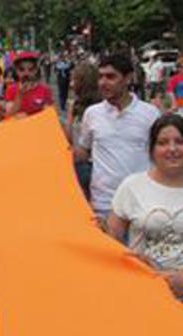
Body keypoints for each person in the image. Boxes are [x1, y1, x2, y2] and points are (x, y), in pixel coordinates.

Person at [75, 54, 161, 223]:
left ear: (128, 78)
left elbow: (159, 158)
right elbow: (83, 153)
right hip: (103, 205)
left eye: (110, 77)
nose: (103, 82)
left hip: (141, 205)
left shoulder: (150, 114)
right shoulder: (92, 114)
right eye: (100, 77)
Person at [107, 114, 183, 300]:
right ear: (151, 149)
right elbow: (111, 241)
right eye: (163, 142)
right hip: (143, 292)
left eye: (179, 142)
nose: (172, 149)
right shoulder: (132, 187)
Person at [65, 62, 101, 199]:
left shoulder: (75, 106)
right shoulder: (103, 106)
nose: (71, 83)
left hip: (80, 163)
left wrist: (69, 114)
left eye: (74, 79)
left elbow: (68, 136)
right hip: (100, 165)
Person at [5, 51, 54, 118]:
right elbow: (9, 114)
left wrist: (28, 116)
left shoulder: (45, 90)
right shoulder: (11, 89)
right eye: (21, 69)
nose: (26, 73)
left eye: (31, 69)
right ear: (16, 71)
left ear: (36, 70)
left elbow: (49, 115)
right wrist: (20, 94)